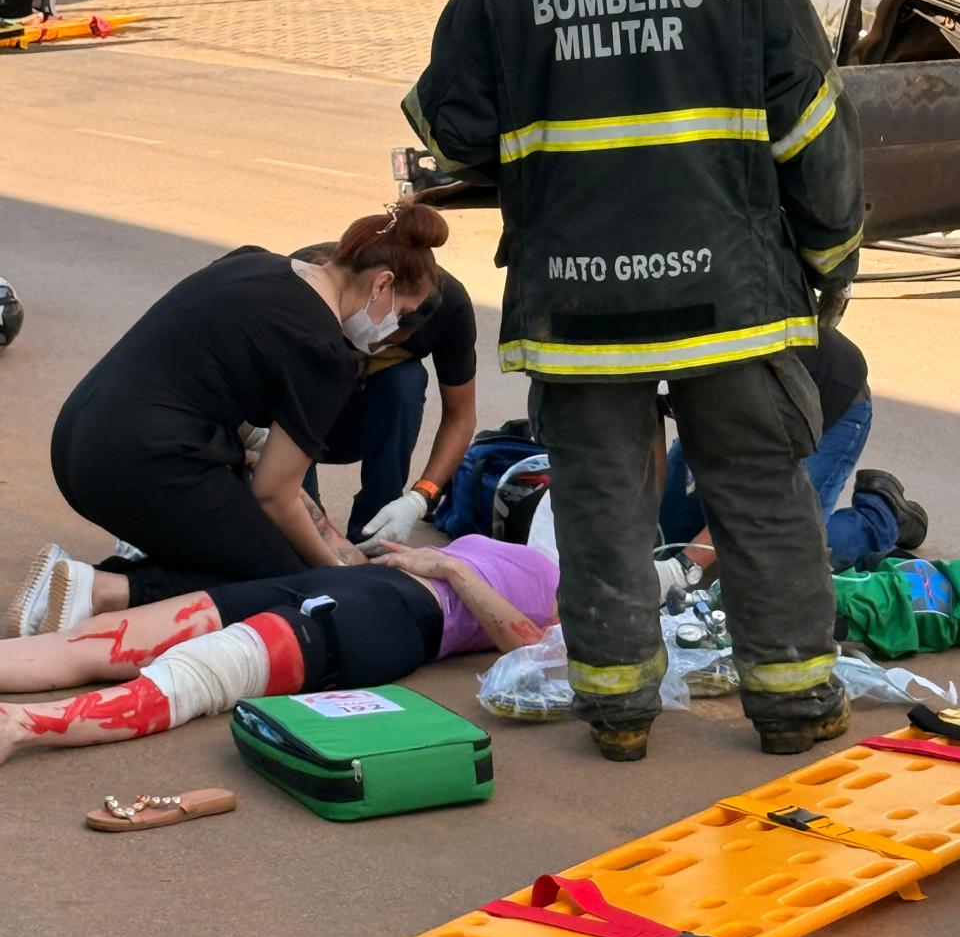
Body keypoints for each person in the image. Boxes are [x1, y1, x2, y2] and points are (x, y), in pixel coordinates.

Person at [402, 0, 863, 761]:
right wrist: (828, 260)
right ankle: (795, 705)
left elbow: (447, 131)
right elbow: (817, 136)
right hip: (733, 299)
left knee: (603, 504)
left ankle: (618, 715)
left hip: (580, 309)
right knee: (760, 492)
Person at [6, 203, 449, 640]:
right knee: (282, 583)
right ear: (382, 283)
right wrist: (331, 573)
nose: (393, 331)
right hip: (142, 465)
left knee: (245, 541)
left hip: (77, 439)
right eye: (402, 314)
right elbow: (274, 495)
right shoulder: (324, 350)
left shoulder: (252, 261)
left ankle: (69, 584)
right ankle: (104, 590)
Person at [0, 538, 559, 764]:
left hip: (389, 620)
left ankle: (20, 725)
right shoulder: (514, 543)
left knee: (197, 676)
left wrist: (453, 571)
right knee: (104, 639)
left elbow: (532, 653)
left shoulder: (575, 592)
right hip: (348, 582)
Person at [657, 328, 928, 586]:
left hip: (823, 407)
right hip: (725, 415)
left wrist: (684, 567)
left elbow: (751, 491)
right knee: (663, 537)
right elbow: (645, 448)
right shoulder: (640, 349)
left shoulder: (736, 369)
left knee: (780, 566)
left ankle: (880, 516)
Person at [289, 243, 477, 552]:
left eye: (387, 344)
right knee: (297, 539)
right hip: (289, 422)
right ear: (378, 288)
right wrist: (303, 517)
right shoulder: (314, 279)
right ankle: (304, 516)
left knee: (405, 379)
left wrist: (420, 497)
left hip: (361, 425)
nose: (371, 346)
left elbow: (461, 417)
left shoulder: (450, 307)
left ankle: (374, 526)